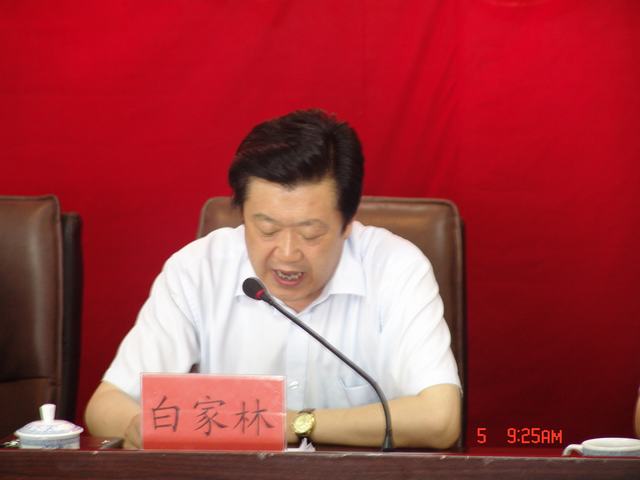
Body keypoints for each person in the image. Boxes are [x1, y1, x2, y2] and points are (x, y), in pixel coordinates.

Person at [85, 109, 461, 449]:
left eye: (311, 233)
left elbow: (440, 420)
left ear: (348, 223)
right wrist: (138, 426)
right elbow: (106, 405)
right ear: (242, 215)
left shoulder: (396, 268)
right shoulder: (198, 270)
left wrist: (291, 424)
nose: (287, 253)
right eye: (266, 229)